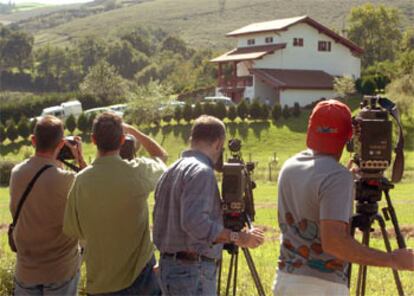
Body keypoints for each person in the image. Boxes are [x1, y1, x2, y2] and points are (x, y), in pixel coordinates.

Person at [273, 100, 414, 296]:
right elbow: (334, 242)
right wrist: (393, 259)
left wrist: (345, 177)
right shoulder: (337, 177)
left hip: (286, 280)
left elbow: (316, 189)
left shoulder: (290, 166)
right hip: (321, 286)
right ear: (349, 137)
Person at [153, 115, 265, 296]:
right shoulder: (201, 172)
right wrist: (239, 237)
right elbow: (195, 223)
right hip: (192, 271)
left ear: (192, 140)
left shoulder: (170, 171)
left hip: (172, 268)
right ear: (219, 143)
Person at [63, 112, 167, 296]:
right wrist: (134, 131)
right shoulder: (137, 171)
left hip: (102, 284)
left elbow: (73, 230)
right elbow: (161, 156)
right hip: (142, 277)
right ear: (121, 140)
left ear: (94, 140)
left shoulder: (80, 182)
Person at [9, 115, 87, 296]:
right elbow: (94, 191)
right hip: (60, 270)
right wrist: (80, 160)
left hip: (26, 270)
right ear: (61, 144)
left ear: (33, 140)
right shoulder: (67, 180)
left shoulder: (16, 173)